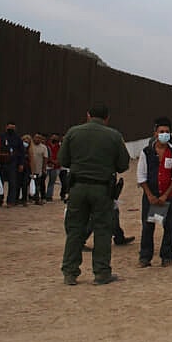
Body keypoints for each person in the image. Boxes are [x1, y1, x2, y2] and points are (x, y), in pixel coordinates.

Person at [59, 103, 130, 285]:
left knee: (75, 230)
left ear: (88, 115)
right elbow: (123, 165)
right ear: (107, 118)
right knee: (102, 230)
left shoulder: (73, 132)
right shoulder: (114, 136)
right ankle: (101, 272)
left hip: (77, 187)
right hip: (102, 189)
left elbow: (63, 160)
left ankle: (70, 272)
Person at [138, 116, 172, 269]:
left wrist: (166, 195)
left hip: (168, 197)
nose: (164, 134)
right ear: (155, 133)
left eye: (167, 132)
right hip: (150, 196)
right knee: (148, 226)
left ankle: (167, 257)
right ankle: (145, 257)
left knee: (169, 227)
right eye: (161, 131)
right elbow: (141, 175)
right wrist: (150, 195)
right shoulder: (146, 152)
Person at [0, 122, 24, 206]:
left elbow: (21, 152)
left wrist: (21, 164)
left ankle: (11, 201)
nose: (11, 130)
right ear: (6, 127)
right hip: (2, 162)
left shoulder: (18, 138)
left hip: (13, 163)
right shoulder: (2, 137)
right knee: (0, 182)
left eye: (13, 128)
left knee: (13, 183)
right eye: (10, 128)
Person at [29, 134, 50, 205]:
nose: (37, 139)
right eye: (36, 137)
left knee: (39, 184)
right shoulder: (30, 146)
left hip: (39, 169)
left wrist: (44, 168)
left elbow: (45, 158)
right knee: (31, 184)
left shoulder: (43, 147)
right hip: (30, 169)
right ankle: (31, 197)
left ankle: (40, 198)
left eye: (39, 138)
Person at [44, 132, 62, 202]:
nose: (54, 138)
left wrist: (56, 162)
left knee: (52, 182)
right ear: (51, 137)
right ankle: (42, 195)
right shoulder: (46, 145)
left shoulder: (59, 146)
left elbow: (61, 155)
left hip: (56, 166)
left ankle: (49, 196)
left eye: (56, 137)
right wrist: (50, 161)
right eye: (53, 137)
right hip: (46, 165)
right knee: (42, 181)